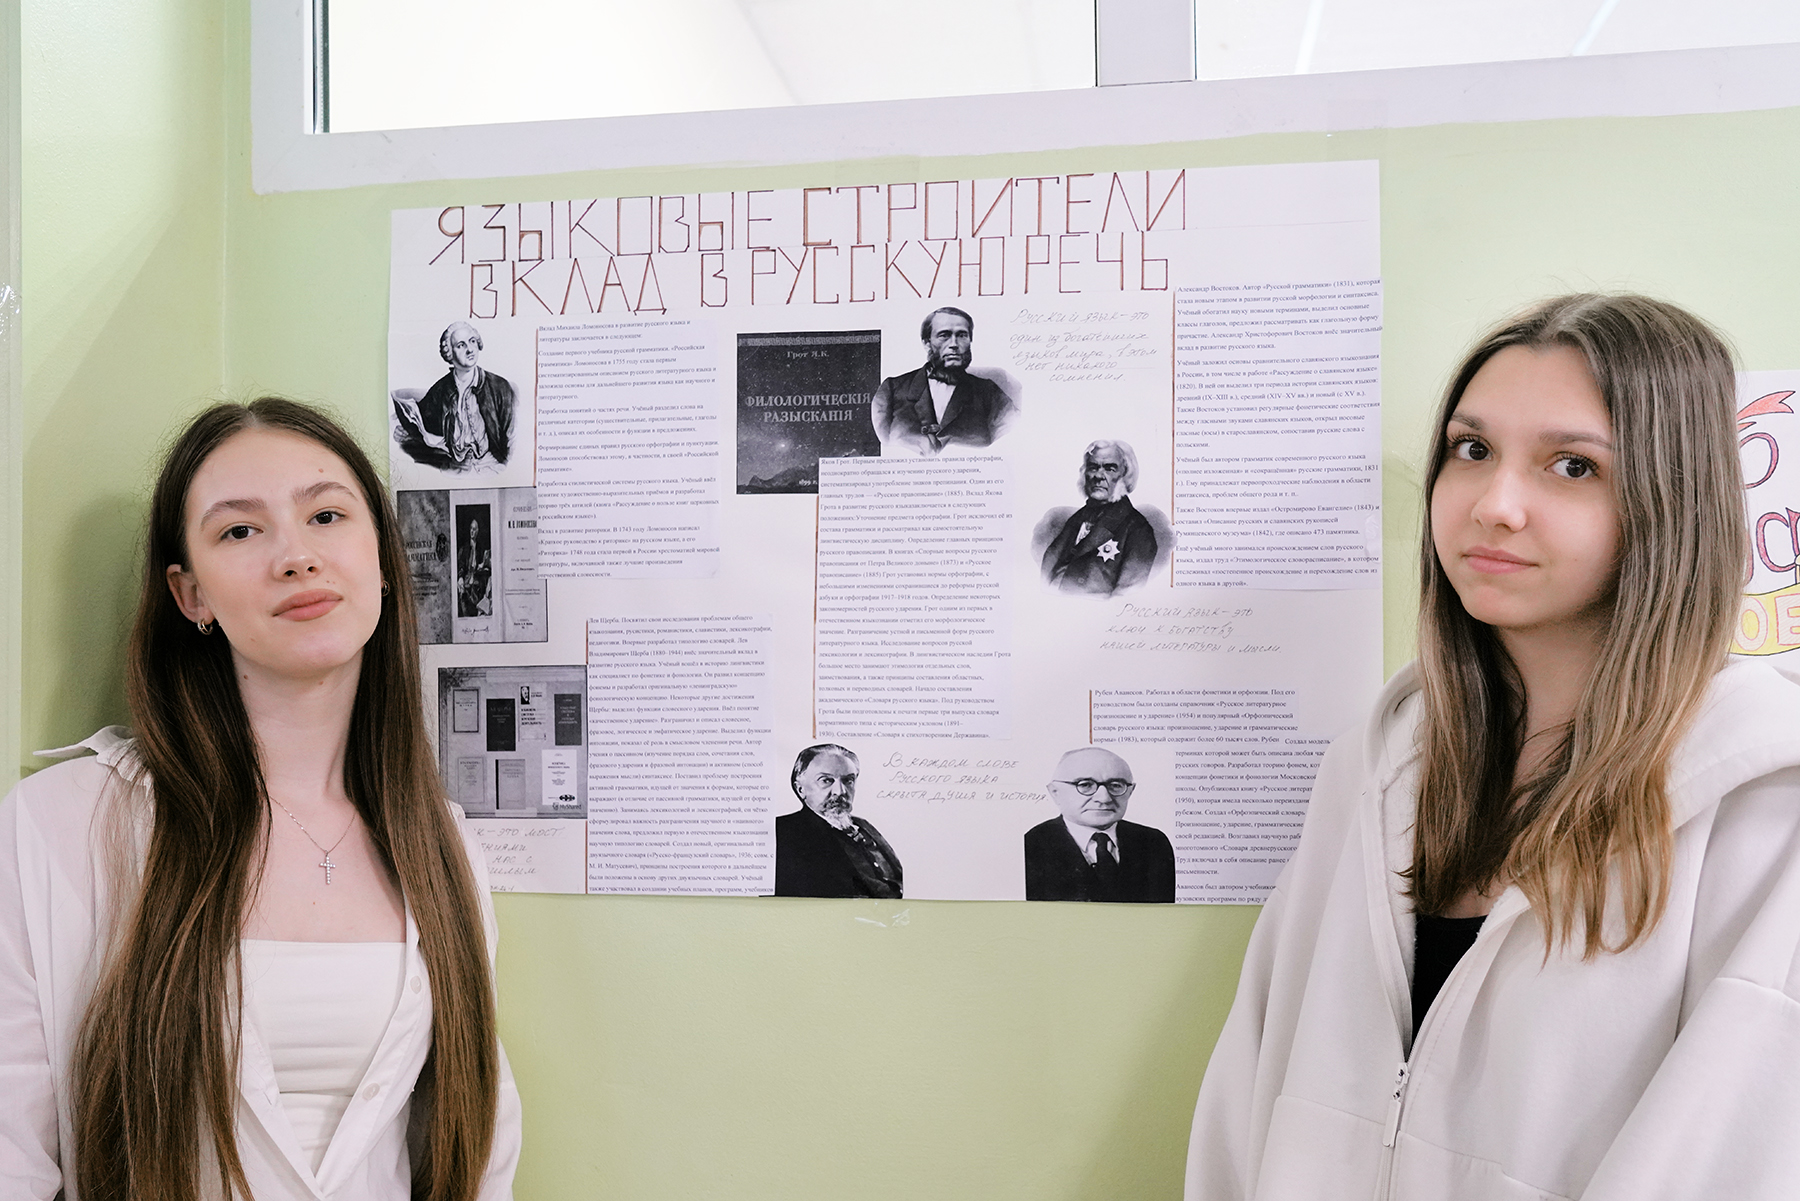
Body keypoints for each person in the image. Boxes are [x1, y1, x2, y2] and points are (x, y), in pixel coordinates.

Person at [1185, 295, 1800, 1200]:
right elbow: (1251, 1085)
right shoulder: (1379, 762)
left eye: (1573, 465)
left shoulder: (1763, 799)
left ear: (1672, 500)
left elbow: (1733, 1158)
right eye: (1471, 449)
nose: (1494, 505)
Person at [0, 399, 520, 1198]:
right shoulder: (59, 824)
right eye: (240, 531)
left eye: (326, 515)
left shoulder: (441, 843)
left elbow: (480, 1146)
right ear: (191, 595)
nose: (297, 556)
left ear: (383, 558)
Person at [1025, 746, 1175, 903]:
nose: (1104, 798)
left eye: (1116, 785)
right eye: (1085, 785)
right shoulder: (1030, 845)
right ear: (1055, 792)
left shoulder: (1153, 842)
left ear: (1130, 791)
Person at [871, 306, 1014, 454]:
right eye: (944, 335)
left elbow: (1010, 438)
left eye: (962, 335)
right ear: (927, 343)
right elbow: (881, 443)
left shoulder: (989, 392)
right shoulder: (892, 389)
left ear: (970, 340)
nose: (954, 344)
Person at [773, 744, 903, 898]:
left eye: (848, 780)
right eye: (826, 780)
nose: (840, 791)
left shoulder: (864, 826)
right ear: (801, 789)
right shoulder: (783, 831)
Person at [1039, 439, 1159, 595]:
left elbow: (1125, 597)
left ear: (1125, 475)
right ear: (1085, 473)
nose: (1098, 476)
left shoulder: (1138, 531)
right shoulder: (1077, 519)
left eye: (1110, 469)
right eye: (1093, 467)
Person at [396, 321, 516, 467]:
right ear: (450, 353)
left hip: (491, 464)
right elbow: (422, 421)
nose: (470, 349)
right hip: (454, 465)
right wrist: (405, 431)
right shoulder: (440, 390)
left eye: (472, 341)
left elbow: (510, 440)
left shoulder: (500, 387)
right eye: (461, 345)